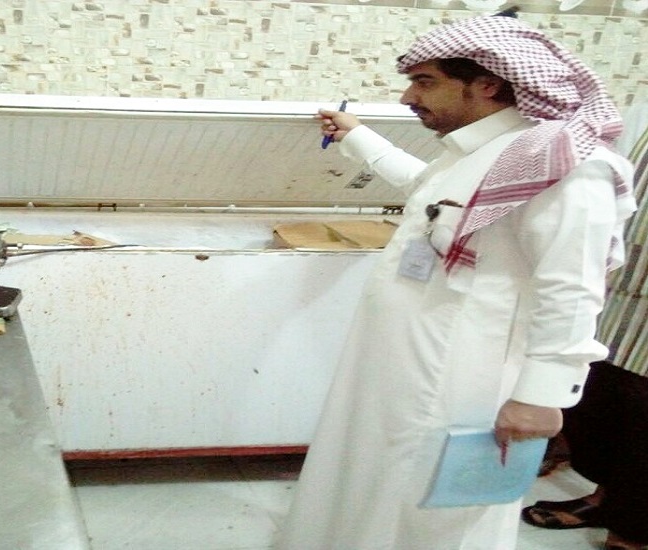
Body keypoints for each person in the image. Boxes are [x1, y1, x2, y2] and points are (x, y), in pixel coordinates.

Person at [275, 13, 636, 550]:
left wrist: (541, 396)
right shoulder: (483, 151)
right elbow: (427, 190)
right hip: (399, 365)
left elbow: (572, 288)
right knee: (375, 485)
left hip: (461, 378)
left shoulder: (565, 167)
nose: (408, 97)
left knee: (432, 513)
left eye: (425, 82)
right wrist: (358, 137)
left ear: (487, 84)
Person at [521, 105, 648, 550]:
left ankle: (631, 531)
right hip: (621, 286)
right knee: (604, 398)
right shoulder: (641, 109)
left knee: (643, 416)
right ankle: (604, 498)